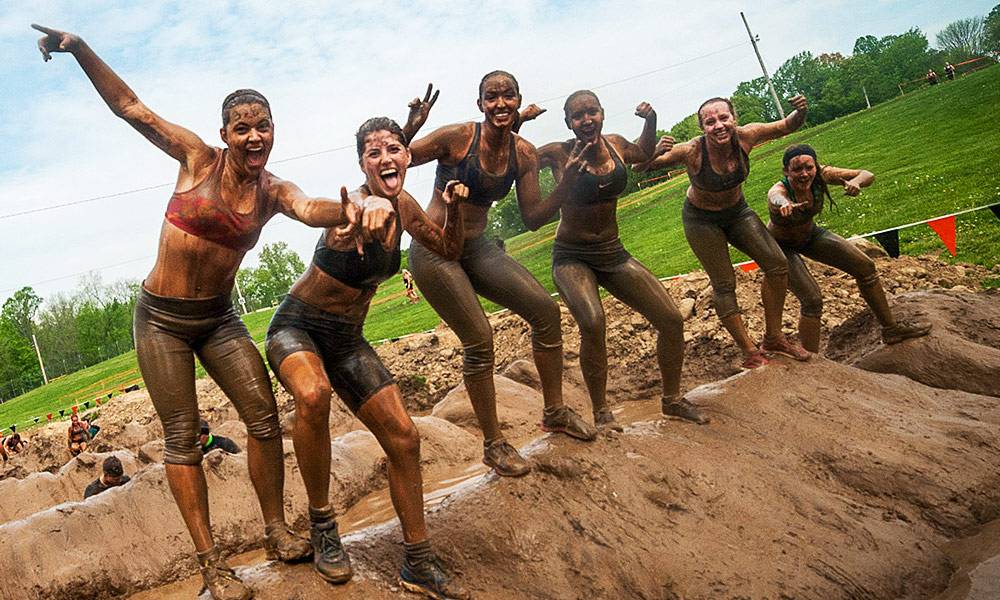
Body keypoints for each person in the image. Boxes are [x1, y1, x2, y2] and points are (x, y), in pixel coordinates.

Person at [32, 24, 365, 599]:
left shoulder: (274, 191)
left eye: (263, 127)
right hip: (160, 319)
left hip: (216, 319)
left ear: (273, 131)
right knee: (183, 437)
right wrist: (80, 47)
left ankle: (277, 533)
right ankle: (212, 566)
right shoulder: (197, 160)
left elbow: (311, 209)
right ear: (225, 134)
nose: (254, 137)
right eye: (243, 128)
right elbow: (132, 108)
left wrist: (353, 205)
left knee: (262, 415)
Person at [266, 117, 468, 598]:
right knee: (313, 395)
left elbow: (448, 247)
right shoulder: (352, 206)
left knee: (405, 437)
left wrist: (455, 209)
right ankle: (322, 527)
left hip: (347, 340)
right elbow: (363, 205)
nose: (385, 159)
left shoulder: (407, 205)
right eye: (373, 153)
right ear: (361, 163)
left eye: (393, 149)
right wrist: (366, 205)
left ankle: (417, 562)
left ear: (406, 156)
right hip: (296, 329)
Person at [404, 72, 597, 478]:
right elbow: (393, 160)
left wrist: (566, 185)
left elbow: (532, 219)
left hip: (476, 246)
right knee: (480, 338)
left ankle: (555, 411)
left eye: (508, 96)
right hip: (436, 249)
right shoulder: (457, 137)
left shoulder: (523, 153)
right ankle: (494, 445)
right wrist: (410, 129)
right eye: (491, 97)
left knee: (545, 311)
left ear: (518, 100)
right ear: (480, 105)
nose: (500, 104)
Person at [533, 91, 705, 430]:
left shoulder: (615, 144)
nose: (586, 120)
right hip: (571, 256)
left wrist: (651, 120)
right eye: (578, 116)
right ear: (568, 123)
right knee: (593, 323)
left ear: (602, 114)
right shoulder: (557, 152)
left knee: (670, 319)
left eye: (591, 112)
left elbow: (642, 153)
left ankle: (671, 400)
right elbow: (515, 160)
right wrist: (518, 122)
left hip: (612, 252)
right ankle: (601, 413)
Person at [636, 95, 813, 369]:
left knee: (777, 264)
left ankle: (774, 337)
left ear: (734, 119)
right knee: (724, 283)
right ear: (702, 127)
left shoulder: (747, 136)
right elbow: (640, 166)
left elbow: (787, 126)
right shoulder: (693, 150)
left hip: (737, 212)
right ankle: (749, 350)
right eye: (710, 122)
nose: (718, 126)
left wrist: (800, 110)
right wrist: (655, 150)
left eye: (723, 118)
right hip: (701, 220)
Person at [766, 144, 932, 352]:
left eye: (809, 167)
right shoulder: (780, 190)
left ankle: (891, 329)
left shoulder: (823, 175)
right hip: (781, 247)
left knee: (866, 267)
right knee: (812, 299)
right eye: (797, 170)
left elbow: (867, 174)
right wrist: (784, 204)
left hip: (810, 236)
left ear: (816, 166)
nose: (804, 174)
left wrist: (855, 182)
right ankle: (811, 360)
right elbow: (774, 197)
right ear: (786, 171)